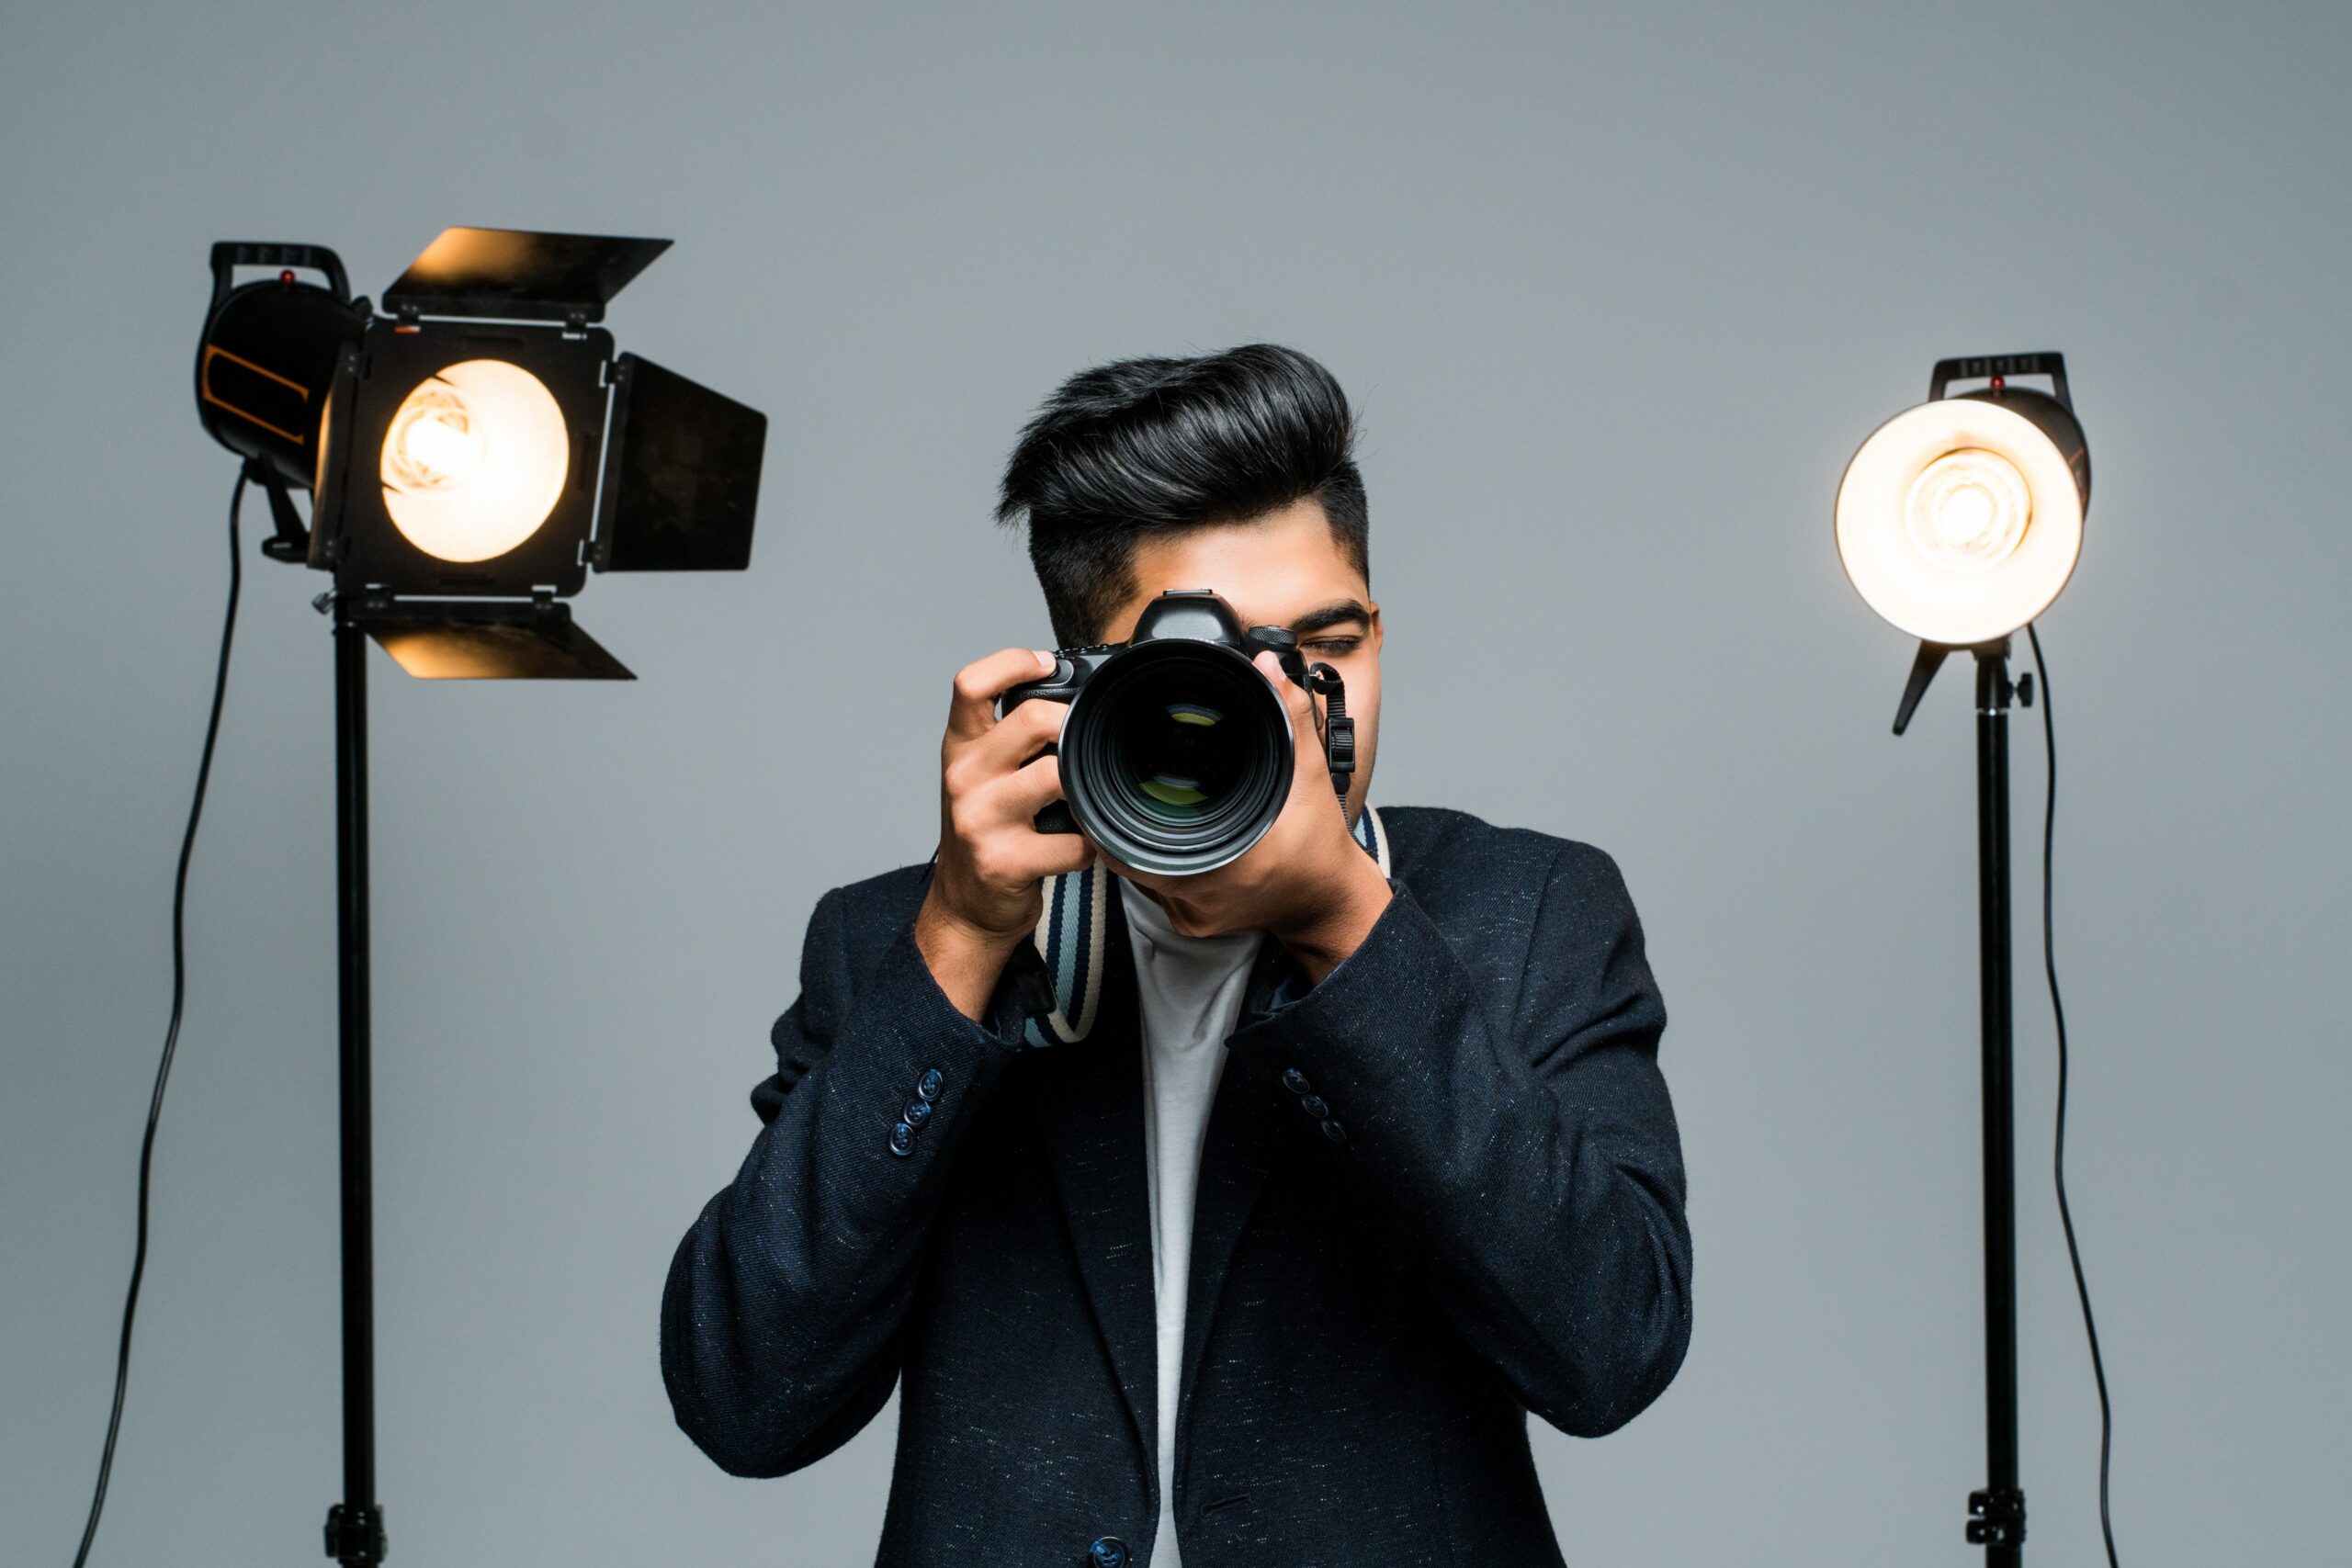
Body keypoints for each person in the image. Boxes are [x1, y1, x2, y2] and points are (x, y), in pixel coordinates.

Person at [660, 344, 1693, 1567]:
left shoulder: (1522, 914)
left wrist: (1347, 932)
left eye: (1329, 644)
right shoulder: (899, 943)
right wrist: (958, 940)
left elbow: (1612, 1350)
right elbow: (747, 1399)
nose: (1293, 707)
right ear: (1073, 685)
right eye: (1212, 672)